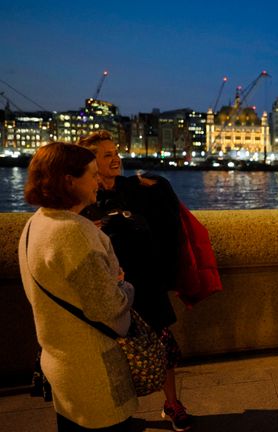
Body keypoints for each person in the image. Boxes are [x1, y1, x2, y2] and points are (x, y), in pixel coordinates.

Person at [76, 131, 191, 431]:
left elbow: (164, 207)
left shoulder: (133, 188)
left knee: (164, 347)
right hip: (111, 288)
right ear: (91, 163)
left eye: (115, 152)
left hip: (147, 281)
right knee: (115, 355)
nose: (115, 159)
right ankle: (120, 411)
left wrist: (157, 182)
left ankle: (173, 403)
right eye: (106, 155)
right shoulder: (85, 201)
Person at [19, 142, 137, 431]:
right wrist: (126, 287)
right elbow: (108, 308)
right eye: (92, 174)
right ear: (69, 181)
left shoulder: (36, 224)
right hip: (94, 372)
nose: (99, 181)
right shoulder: (75, 233)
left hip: (60, 364)